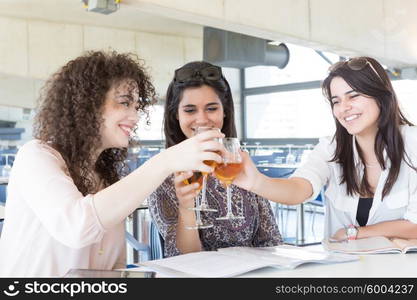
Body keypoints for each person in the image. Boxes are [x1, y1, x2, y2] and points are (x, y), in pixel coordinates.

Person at [0, 51, 224, 277]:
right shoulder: (36, 156)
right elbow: (76, 227)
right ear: (89, 104)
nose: (135, 117)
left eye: (136, 106)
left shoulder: (104, 177)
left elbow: (112, 268)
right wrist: (165, 160)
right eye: (125, 103)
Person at [234, 57, 417, 241]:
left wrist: (354, 233)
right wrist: (255, 182)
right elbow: (299, 188)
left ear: (380, 96)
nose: (343, 108)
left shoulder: (413, 143)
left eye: (353, 96)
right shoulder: (331, 148)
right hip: (344, 266)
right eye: (336, 101)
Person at [147, 61, 282, 257]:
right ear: (175, 115)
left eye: (211, 108)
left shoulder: (240, 164)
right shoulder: (163, 174)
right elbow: (183, 257)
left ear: (224, 111)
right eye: (190, 110)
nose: (201, 119)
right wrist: (187, 208)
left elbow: (271, 241)